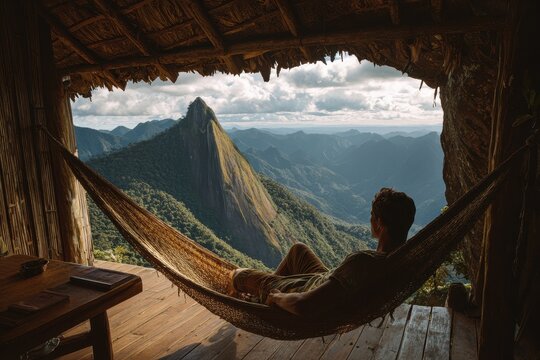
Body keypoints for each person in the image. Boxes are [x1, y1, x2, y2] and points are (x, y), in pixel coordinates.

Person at [229, 187, 416, 318]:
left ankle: (267, 299)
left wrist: (277, 297)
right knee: (298, 249)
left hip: (304, 292)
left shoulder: (364, 262)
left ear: (380, 223)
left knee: (237, 275)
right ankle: (265, 296)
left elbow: (305, 305)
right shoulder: (401, 259)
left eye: (371, 217)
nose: (370, 221)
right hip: (324, 281)